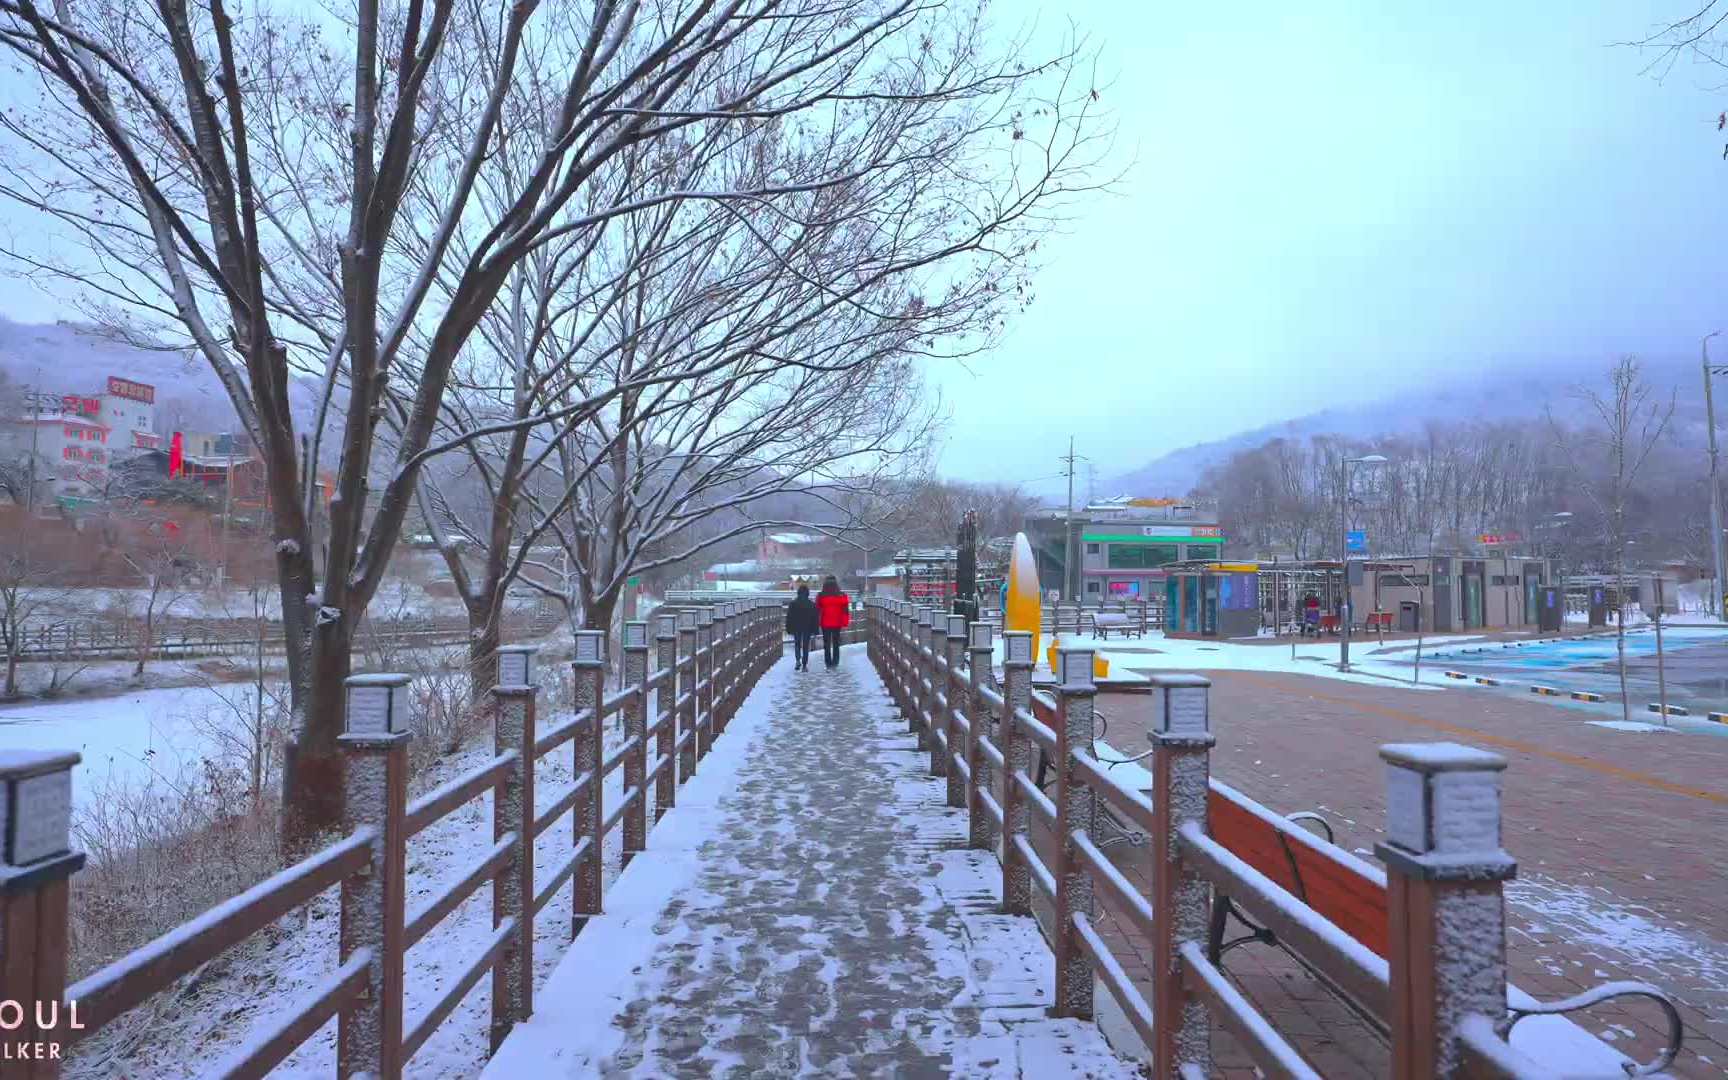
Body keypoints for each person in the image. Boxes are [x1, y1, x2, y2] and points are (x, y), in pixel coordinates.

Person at [815, 574, 851, 668]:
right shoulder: (842, 595)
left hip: (825, 622)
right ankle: (835, 662)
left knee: (826, 644)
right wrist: (845, 623)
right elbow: (845, 610)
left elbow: (817, 609)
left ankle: (828, 663)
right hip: (837, 622)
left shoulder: (821, 595)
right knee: (836, 643)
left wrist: (816, 622)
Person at [785, 584, 819, 671]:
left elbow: (789, 617)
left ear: (798, 592)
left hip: (796, 627)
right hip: (808, 627)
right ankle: (804, 665)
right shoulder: (811, 604)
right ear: (807, 593)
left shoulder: (793, 604)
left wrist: (788, 628)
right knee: (805, 646)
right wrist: (816, 630)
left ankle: (797, 660)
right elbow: (815, 618)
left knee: (797, 644)